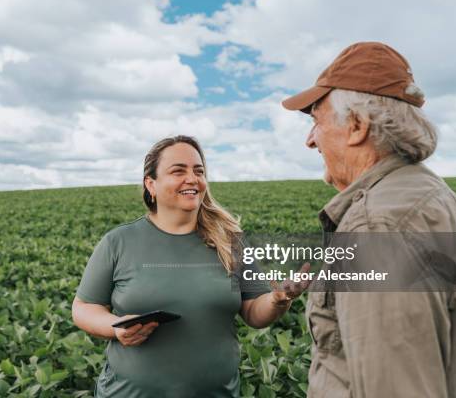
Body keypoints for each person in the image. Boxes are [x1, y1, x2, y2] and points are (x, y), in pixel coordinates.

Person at [282, 41, 456, 397]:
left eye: (316, 121)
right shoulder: (433, 196)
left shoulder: (376, 228)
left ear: (357, 126)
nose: (310, 141)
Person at [71, 135, 309, 398]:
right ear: (151, 184)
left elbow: (254, 312)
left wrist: (279, 299)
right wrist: (114, 327)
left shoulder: (230, 242)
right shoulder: (118, 242)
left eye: (199, 171)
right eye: (178, 171)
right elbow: (84, 308)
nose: (192, 178)